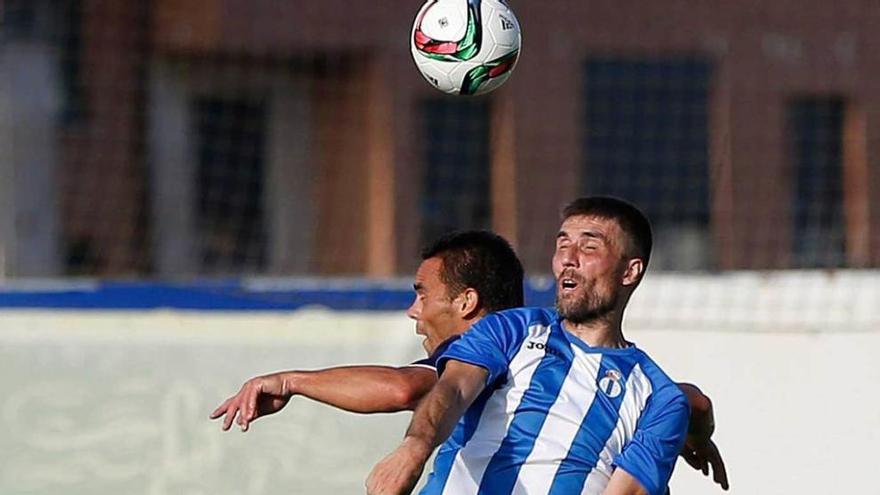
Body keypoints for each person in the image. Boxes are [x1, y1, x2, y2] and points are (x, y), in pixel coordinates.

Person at [210, 228, 727, 491]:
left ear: (467, 304)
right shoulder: (608, 373)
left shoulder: (491, 354)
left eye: (421, 293)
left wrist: (291, 380)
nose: (413, 310)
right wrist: (696, 433)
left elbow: (402, 389)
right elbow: (692, 397)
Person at [366, 197, 712, 495]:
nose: (568, 259)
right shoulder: (512, 328)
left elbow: (627, 489)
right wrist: (414, 447)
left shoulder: (659, 397)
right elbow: (454, 388)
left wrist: (697, 426)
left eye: (589, 247)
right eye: (562, 246)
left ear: (629, 272)